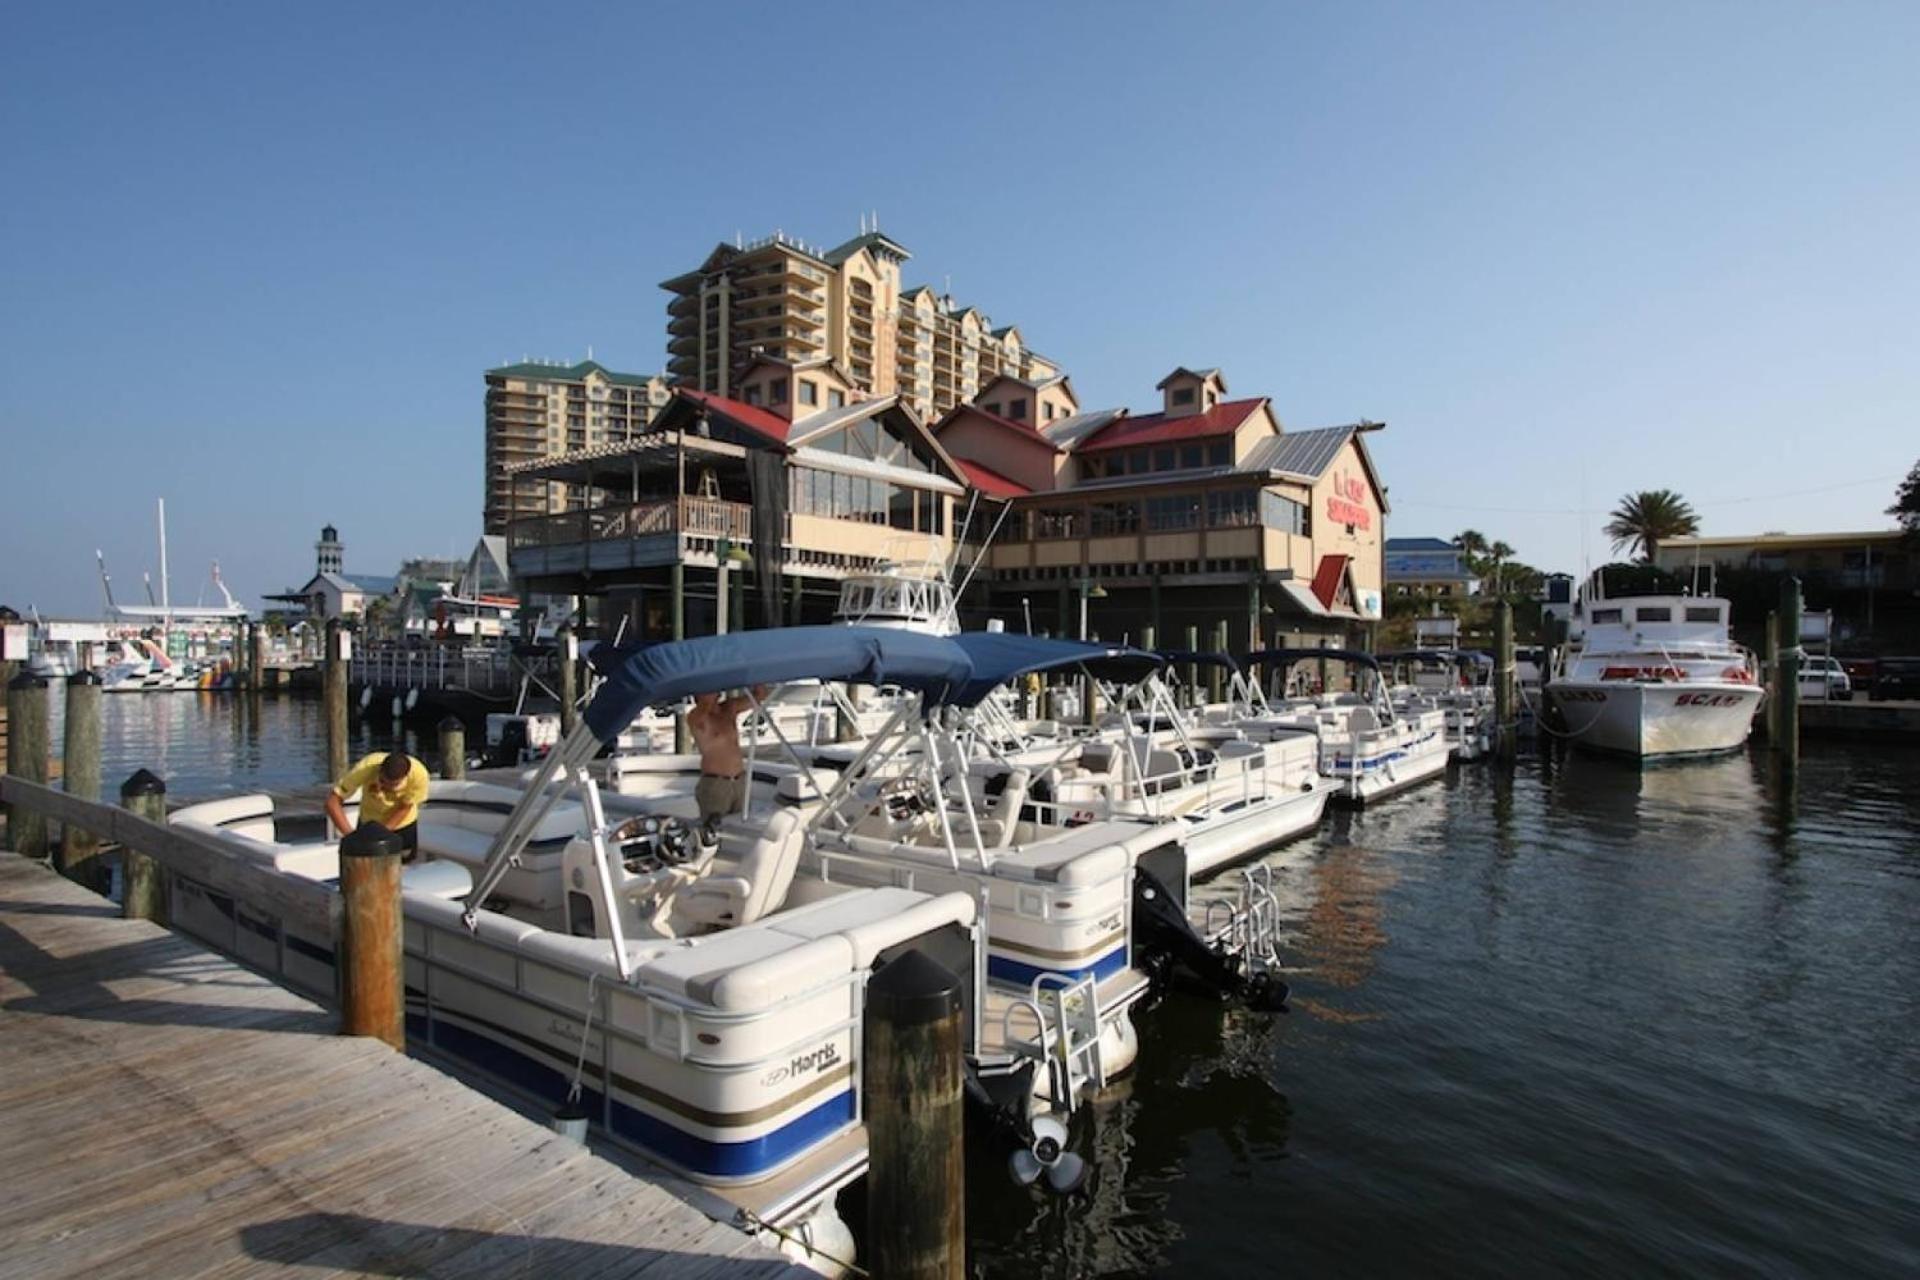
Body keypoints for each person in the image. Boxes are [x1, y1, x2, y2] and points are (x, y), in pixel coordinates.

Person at [688, 685, 768, 840]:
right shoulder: (697, 717)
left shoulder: (729, 709)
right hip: (716, 785)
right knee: (712, 832)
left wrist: (753, 679)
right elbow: (704, 705)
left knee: (740, 829)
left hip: (739, 781)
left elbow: (760, 696)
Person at [326, 749, 431, 861]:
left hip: (403, 825)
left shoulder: (419, 775)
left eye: (393, 785)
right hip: (368, 824)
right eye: (382, 781)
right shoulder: (367, 767)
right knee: (364, 867)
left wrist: (381, 834)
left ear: (406, 776)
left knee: (404, 866)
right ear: (379, 770)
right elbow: (332, 802)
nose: (385, 787)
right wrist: (351, 836)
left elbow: (405, 807)